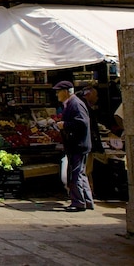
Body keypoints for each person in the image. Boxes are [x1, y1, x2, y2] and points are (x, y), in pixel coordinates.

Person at [54, 80, 93, 212]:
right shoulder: (72, 103)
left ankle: (78, 202)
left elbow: (82, 123)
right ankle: (87, 201)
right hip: (77, 145)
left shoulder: (75, 104)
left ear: (66, 92)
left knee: (75, 174)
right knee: (80, 173)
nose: (57, 94)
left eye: (58, 91)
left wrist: (65, 125)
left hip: (78, 145)